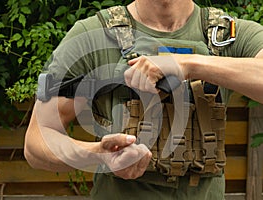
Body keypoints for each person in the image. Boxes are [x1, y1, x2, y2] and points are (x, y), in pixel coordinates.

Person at [24, 0, 263, 199]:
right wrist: (100, 155)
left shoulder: (227, 36)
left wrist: (188, 64)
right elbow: (37, 143)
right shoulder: (91, 36)